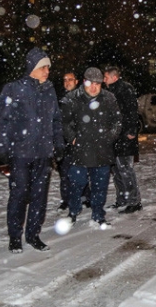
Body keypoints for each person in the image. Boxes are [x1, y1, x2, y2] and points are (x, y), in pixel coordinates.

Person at [0, 47, 65, 253]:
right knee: (19, 195)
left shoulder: (49, 90)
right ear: (32, 67)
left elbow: (56, 120)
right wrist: (1, 148)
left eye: (48, 67)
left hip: (43, 153)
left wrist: (59, 144)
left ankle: (33, 234)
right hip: (20, 153)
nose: (47, 71)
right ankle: (15, 237)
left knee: (39, 197)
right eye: (43, 67)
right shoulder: (13, 89)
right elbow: (1, 120)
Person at [61, 67, 121, 228]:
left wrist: (110, 137)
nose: (94, 87)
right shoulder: (72, 98)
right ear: (83, 82)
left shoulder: (108, 98)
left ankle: (98, 214)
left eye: (97, 84)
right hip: (80, 150)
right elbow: (64, 122)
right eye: (90, 83)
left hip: (102, 150)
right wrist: (73, 138)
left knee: (100, 185)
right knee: (77, 183)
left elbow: (117, 121)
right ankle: (73, 211)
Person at [103, 66, 142, 214]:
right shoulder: (109, 91)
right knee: (116, 170)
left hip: (124, 136)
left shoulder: (125, 89)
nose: (104, 80)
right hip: (114, 137)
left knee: (125, 169)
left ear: (114, 77)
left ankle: (134, 201)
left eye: (106, 77)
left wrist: (131, 130)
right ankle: (122, 199)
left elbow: (132, 111)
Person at [55, 71, 90, 212]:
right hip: (63, 142)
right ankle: (66, 199)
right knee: (64, 174)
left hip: (79, 141)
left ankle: (85, 197)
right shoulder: (59, 99)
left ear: (76, 81)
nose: (67, 82)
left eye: (70, 79)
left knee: (82, 171)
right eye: (65, 80)